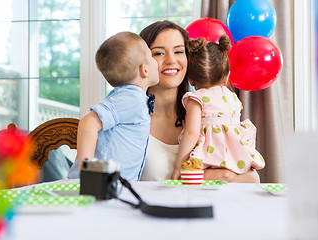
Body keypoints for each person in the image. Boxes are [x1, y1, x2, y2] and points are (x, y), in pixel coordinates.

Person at [139, 20, 261, 183]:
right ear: (143, 62)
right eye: (159, 53)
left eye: (178, 52)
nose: (171, 60)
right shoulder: (133, 121)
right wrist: (222, 176)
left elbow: (253, 178)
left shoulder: (210, 111)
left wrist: (225, 175)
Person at [67, 31, 159, 181]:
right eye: (151, 56)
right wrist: (87, 173)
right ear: (145, 69)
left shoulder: (126, 96)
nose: (156, 61)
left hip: (112, 188)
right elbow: (88, 123)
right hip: (96, 186)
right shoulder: (131, 98)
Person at [171, 36, 265, 180]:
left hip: (208, 159)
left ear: (190, 79)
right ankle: (233, 175)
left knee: (188, 177)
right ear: (227, 77)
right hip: (235, 158)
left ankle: (220, 175)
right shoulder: (233, 97)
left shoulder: (197, 98)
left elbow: (191, 133)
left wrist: (178, 166)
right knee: (252, 178)